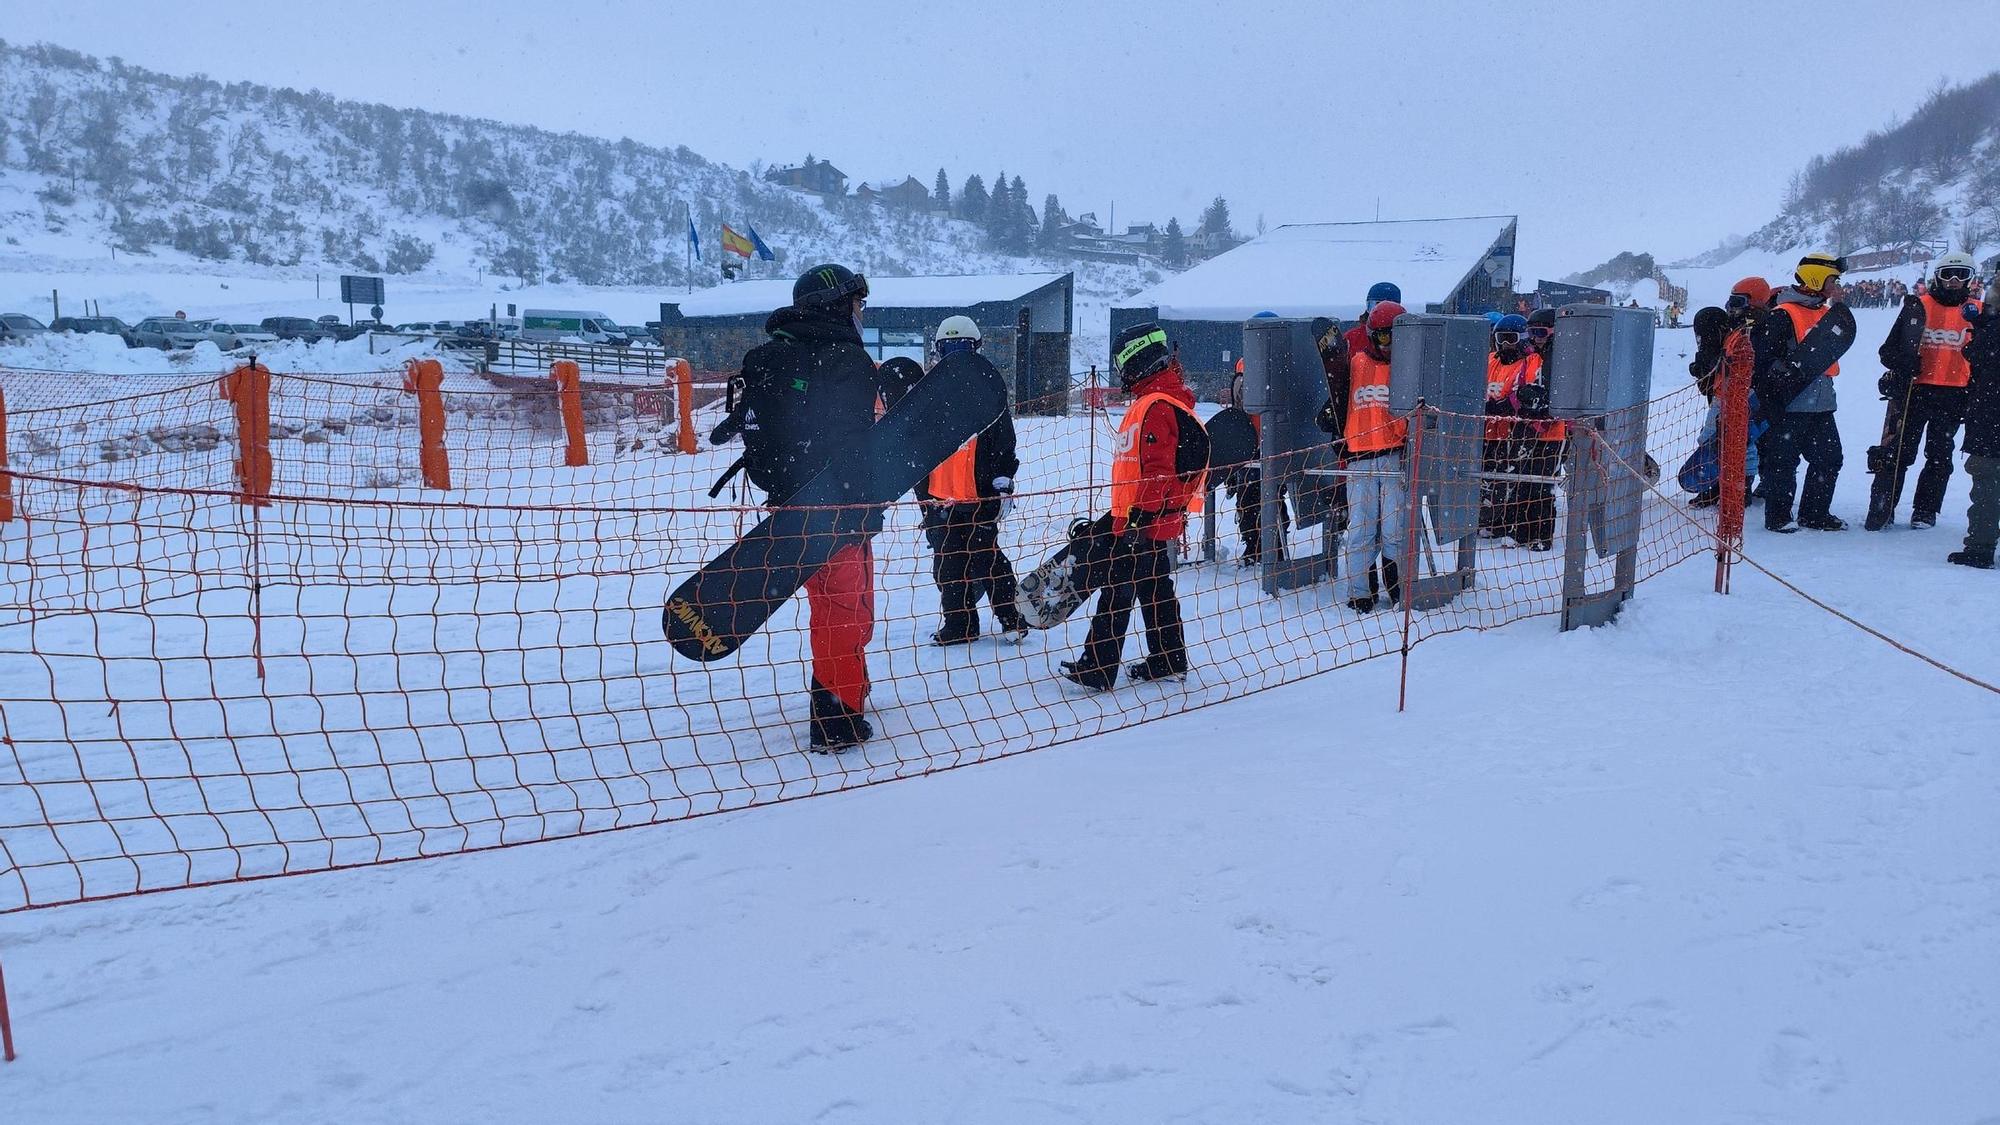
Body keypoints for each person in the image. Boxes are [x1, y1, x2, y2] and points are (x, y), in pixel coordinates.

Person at [721, 263, 882, 750]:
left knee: (834, 605)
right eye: (857, 303)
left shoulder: (777, 356)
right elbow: (857, 441)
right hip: (837, 507)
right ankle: (835, 718)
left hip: (788, 505)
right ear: (836, 304)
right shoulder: (843, 360)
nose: (860, 312)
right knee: (842, 609)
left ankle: (851, 685)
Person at [1061, 322, 1208, 690]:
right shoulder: (1156, 401)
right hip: (1142, 518)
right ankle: (1168, 659)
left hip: (1141, 521)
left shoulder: (1156, 406)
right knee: (1155, 588)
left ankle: (1097, 666)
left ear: (1136, 362)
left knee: (1117, 590)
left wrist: (1138, 518)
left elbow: (1157, 470)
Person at [916, 316, 1028, 645]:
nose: (955, 357)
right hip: (943, 496)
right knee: (949, 565)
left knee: (987, 558)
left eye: (961, 348)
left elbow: (1005, 444)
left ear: (975, 350)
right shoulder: (930, 395)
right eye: (948, 349)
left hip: (979, 495)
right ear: (938, 352)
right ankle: (960, 624)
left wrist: (1002, 483)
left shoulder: (988, 395)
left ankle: (1012, 618)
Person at [1866, 252, 1981, 531]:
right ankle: (1884, 507)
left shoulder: (1978, 311)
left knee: (1940, 456)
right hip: (1914, 393)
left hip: (1955, 394)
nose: (1954, 281)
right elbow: (1887, 350)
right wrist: (1904, 362)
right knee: (1899, 453)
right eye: (1948, 274)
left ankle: (1925, 511)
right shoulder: (1919, 306)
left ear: (1970, 279)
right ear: (1937, 277)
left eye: (1961, 275)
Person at [1753, 252, 1854, 532]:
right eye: (1832, 280)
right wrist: (1779, 373)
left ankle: (1814, 514)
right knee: (1782, 463)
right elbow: (1761, 359)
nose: (1836, 286)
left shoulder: (1825, 313)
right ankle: (1778, 517)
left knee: (1829, 459)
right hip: (1789, 403)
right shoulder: (1782, 315)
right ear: (1816, 279)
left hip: (1822, 403)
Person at [1327, 301, 1409, 611]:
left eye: (1396, 339)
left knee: (1393, 529)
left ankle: (1397, 586)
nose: (1389, 347)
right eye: (1384, 338)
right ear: (1373, 336)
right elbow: (1337, 391)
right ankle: (1360, 591)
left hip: (1393, 457)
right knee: (1360, 530)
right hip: (1359, 458)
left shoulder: (1406, 369)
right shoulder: (1356, 362)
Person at [1687, 278, 1773, 507]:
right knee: (1733, 441)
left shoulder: (1759, 330)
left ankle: (1736, 486)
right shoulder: (1736, 328)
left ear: (1754, 304)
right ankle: (1724, 486)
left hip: (1740, 395)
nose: (1731, 307)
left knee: (1738, 442)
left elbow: (1746, 362)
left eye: (1738, 301)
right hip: (1728, 393)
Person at [1950, 292, 2000, 568]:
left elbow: (1980, 356)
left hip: (1991, 419)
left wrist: (1983, 329)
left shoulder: (1993, 333)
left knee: (1987, 483)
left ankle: (1980, 547)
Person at [1510, 309, 1567, 548]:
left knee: (1543, 485)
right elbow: (1518, 387)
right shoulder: (1531, 357)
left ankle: (1542, 536)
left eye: (1541, 332)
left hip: (1553, 432)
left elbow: (1563, 393)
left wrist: (1544, 401)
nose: (1536, 337)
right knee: (1523, 481)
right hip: (1529, 427)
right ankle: (1522, 532)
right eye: (1532, 332)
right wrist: (1523, 398)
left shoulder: (1563, 356)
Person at [1482, 313, 1536, 539]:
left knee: (1509, 476)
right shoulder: (1491, 360)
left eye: (1510, 338)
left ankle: (1503, 522)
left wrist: (1506, 405)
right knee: (1486, 476)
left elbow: (1526, 391)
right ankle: (1485, 518)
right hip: (1487, 430)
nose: (1505, 344)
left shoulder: (1529, 362)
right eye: (1501, 338)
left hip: (1513, 432)